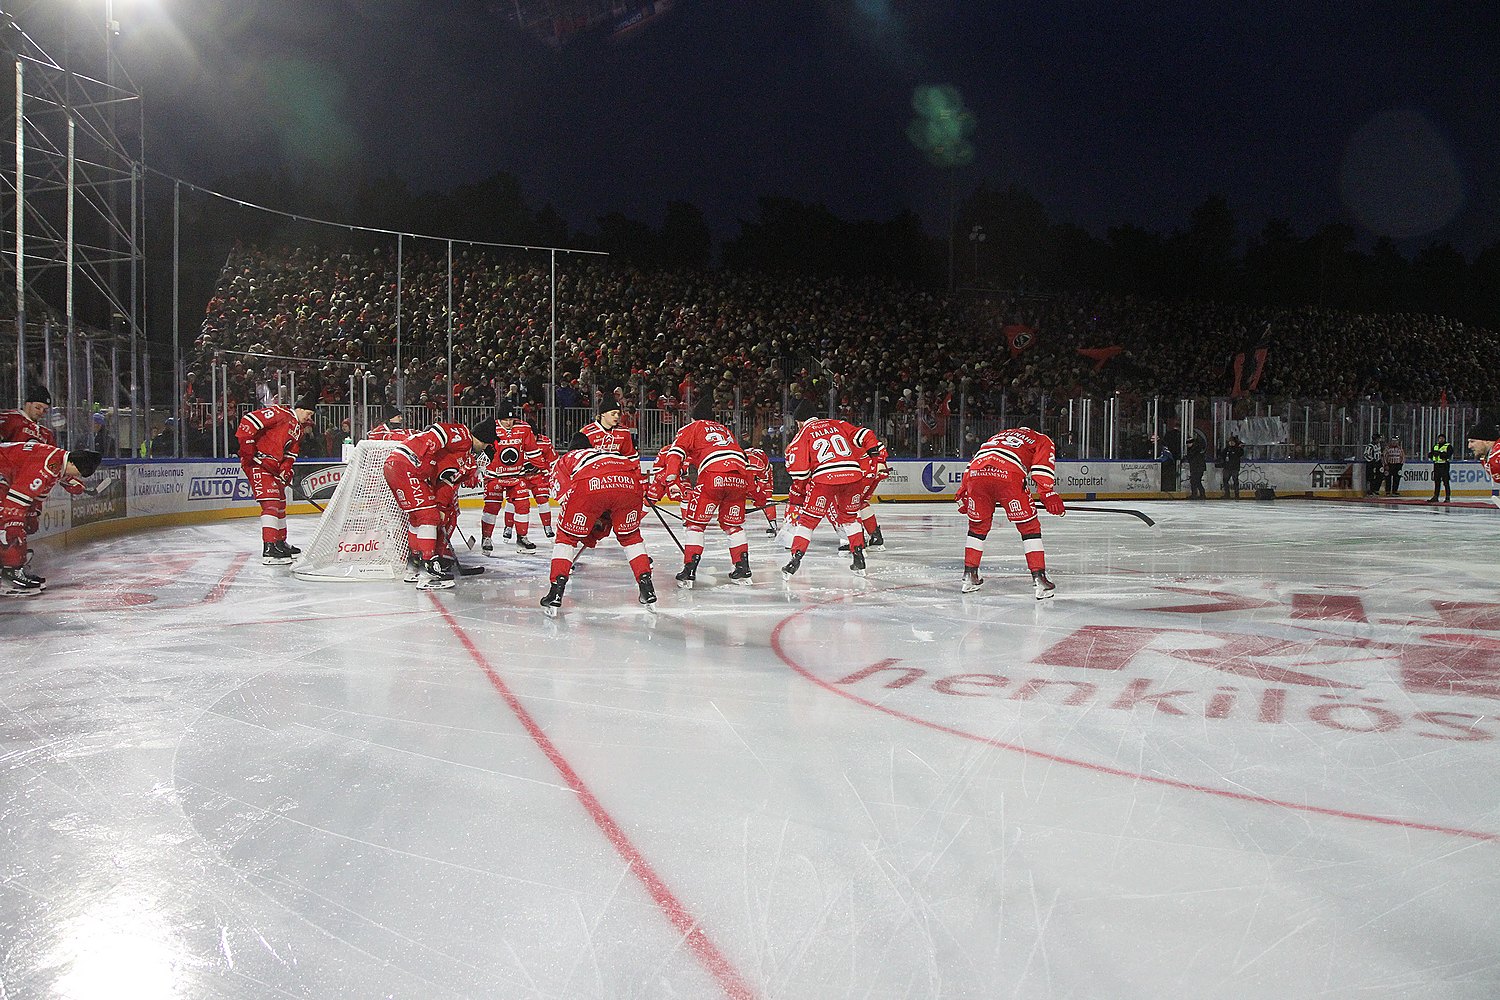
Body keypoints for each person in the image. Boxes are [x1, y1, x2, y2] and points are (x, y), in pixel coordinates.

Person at [648, 393, 752, 588]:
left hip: (713, 476)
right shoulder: (725, 430)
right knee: (733, 526)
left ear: (694, 417)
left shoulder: (692, 427)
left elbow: (676, 452)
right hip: (739, 477)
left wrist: (671, 474)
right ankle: (742, 568)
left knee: (695, 525)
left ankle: (689, 571)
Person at [539, 445, 657, 617]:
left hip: (591, 483)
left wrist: (586, 531)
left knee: (566, 538)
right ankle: (647, 587)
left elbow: (565, 499)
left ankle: (556, 591)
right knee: (631, 537)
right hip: (630, 483)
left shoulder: (565, 460)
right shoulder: (609, 454)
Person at [383, 421, 496, 590]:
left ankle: (413, 567)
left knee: (417, 518)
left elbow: (447, 480)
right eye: (486, 443)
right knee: (429, 517)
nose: (485, 447)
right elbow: (437, 431)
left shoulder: (465, 456)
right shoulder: (463, 435)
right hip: (408, 466)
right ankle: (428, 572)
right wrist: (424, 461)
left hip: (398, 466)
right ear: (481, 438)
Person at [954, 427, 1063, 599]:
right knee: (1029, 527)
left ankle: (969, 575)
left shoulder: (997, 435)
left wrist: (962, 491)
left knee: (977, 527)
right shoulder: (1040, 437)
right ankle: (1040, 580)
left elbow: (975, 459)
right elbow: (1042, 466)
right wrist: (1047, 492)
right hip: (1008, 473)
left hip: (977, 474)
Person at [781, 399, 871, 579]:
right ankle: (858, 556)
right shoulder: (836, 424)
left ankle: (795, 559)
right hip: (853, 475)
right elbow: (861, 437)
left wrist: (799, 491)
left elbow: (799, 470)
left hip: (825, 479)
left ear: (799, 421)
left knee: (807, 521)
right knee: (849, 518)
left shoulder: (804, 432)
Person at [0, 442, 101, 595]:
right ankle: (10, 574)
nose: (77, 475)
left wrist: (32, 515)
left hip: (6, 472)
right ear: (72, 462)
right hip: (4, 474)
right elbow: (16, 502)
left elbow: (59, 478)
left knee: (22, 522)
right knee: (11, 524)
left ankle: (9, 565)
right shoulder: (48, 465)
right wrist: (15, 527)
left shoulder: (58, 460)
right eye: (78, 472)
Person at [236, 393, 317, 565]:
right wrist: (248, 448)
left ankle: (280, 542)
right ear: (299, 408)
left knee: (280, 502)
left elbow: (291, 452)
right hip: (258, 463)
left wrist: (285, 468)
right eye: (308, 413)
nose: (309, 417)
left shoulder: (298, 429)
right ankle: (270, 546)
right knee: (271, 502)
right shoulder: (280, 414)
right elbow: (249, 421)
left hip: (272, 466)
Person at [479, 402, 542, 553]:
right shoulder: (491, 429)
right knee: (491, 508)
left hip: (516, 476)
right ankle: (486, 538)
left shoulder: (524, 429)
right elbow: (480, 451)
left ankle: (522, 537)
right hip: (495, 477)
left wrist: (539, 466)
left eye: (511, 419)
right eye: (505, 420)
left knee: (523, 505)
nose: (508, 423)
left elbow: (532, 450)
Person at [524, 431, 559, 538]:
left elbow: (554, 460)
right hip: (521, 477)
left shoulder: (545, 442)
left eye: (533, 436)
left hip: (538, 477)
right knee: (515, 502)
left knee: (543, 501)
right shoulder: (519, 439)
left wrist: (549, 471)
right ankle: (509, 527)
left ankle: (547, 527)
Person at [744, 446, 779, 536]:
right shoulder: (736, 463)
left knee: (767, 497)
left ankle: (773, 526)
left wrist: (758, 494)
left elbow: (764, 479)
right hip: (753, 467)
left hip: (764, 471)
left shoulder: (757, 464)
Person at [1467, 424, 1500, 507]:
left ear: (1487, 441)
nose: (1469, 446)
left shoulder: (1496, 457)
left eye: (1472, 441)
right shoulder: (1486, 458)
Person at [1427, 433, 1454, 503]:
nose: (1441, 440)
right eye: (1439, 438)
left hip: (1444, 465)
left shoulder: (1448, 446)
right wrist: (1431, 454)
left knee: (1446, 482)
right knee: (1437, 481)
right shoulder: (1435, 446)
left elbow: (1449, 455)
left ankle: (1447, 497)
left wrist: (1440, 454)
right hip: (1436, 465)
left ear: (1444, 439)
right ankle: (1436, 496)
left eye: (1442, 438)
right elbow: (1431, 454)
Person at [1185, 435, 1207, 500]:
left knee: (1195, 481)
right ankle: (1199, 494)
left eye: (1189, 443)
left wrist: (1187, 457)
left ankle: (1196, 494)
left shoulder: (1195, 449)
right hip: (1196, 467)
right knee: (1196, 481)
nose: (1188, 445)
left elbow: (1191, 457)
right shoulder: (1196, 449)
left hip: (1198, 467)